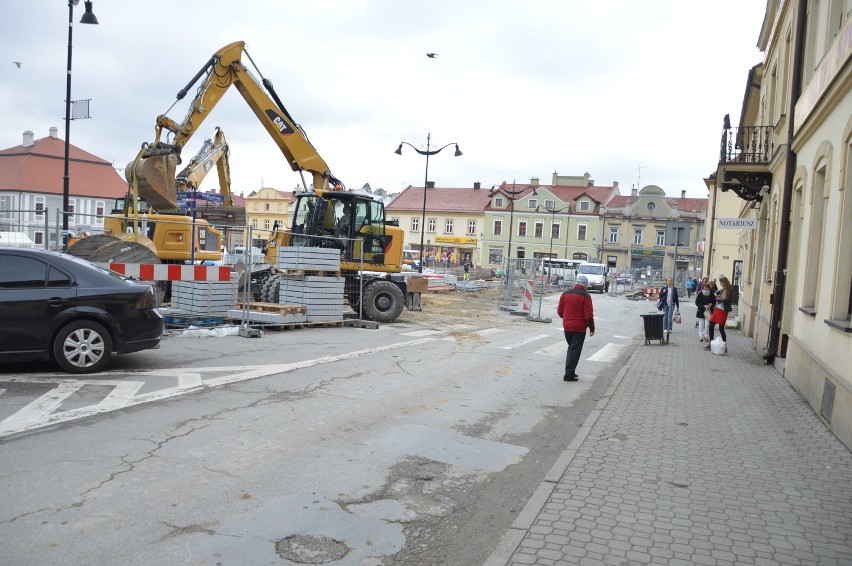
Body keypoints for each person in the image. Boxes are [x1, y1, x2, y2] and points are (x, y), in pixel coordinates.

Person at [557, 274, 595, 381]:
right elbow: (589, 315)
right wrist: (591, 329)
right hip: (579, 328)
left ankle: (570, 372)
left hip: (567, 326)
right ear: (585, 285)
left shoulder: (565, 294)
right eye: (586, 285)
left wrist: (566, 318)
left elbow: (560, 311)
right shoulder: (586, 296)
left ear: (576, 283)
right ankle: (568, 374)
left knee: (571, 349)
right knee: (575, 350)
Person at [705, 276, 734, 352]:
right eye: (720, 282)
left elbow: (727, 300)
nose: (720, 284)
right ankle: (711, 343)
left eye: (722, 282)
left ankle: (724, 347)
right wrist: (716, 295)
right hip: (717, 309)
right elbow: (716, 293)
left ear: (725, 282)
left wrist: (718, 299)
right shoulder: (722, 289)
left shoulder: (730, 289)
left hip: (723, 310)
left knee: (721, 329)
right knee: (711, 324)